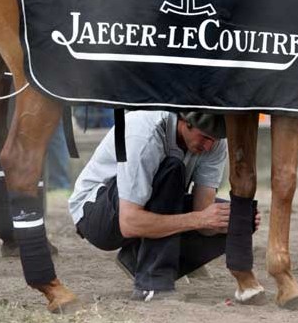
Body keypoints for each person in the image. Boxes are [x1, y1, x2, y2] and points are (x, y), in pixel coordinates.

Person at [68, 110, 260, 301]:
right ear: (184, 121)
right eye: (204, 137)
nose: (209, 146)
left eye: (215, 140)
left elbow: (204, 218)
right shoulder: (144, 134)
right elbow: (129, 223)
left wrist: (226, 220)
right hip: (97, 215)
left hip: (146, 208)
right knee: (172, 168)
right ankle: (152, 283)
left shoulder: (215, 144)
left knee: (243, 217)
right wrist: (199, 219)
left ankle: (135, 260)